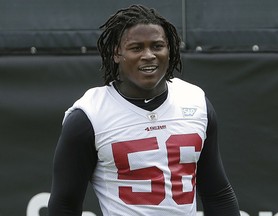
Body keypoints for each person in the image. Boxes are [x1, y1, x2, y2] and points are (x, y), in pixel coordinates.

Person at [48, 4, 240, 216]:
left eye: (157, 46)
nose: (148, 55)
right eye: (136, 48)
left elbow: (217, 193)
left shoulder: (196, 102)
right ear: (116, 53)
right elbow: (64, 206)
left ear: (170, 49)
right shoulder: (89, 115)